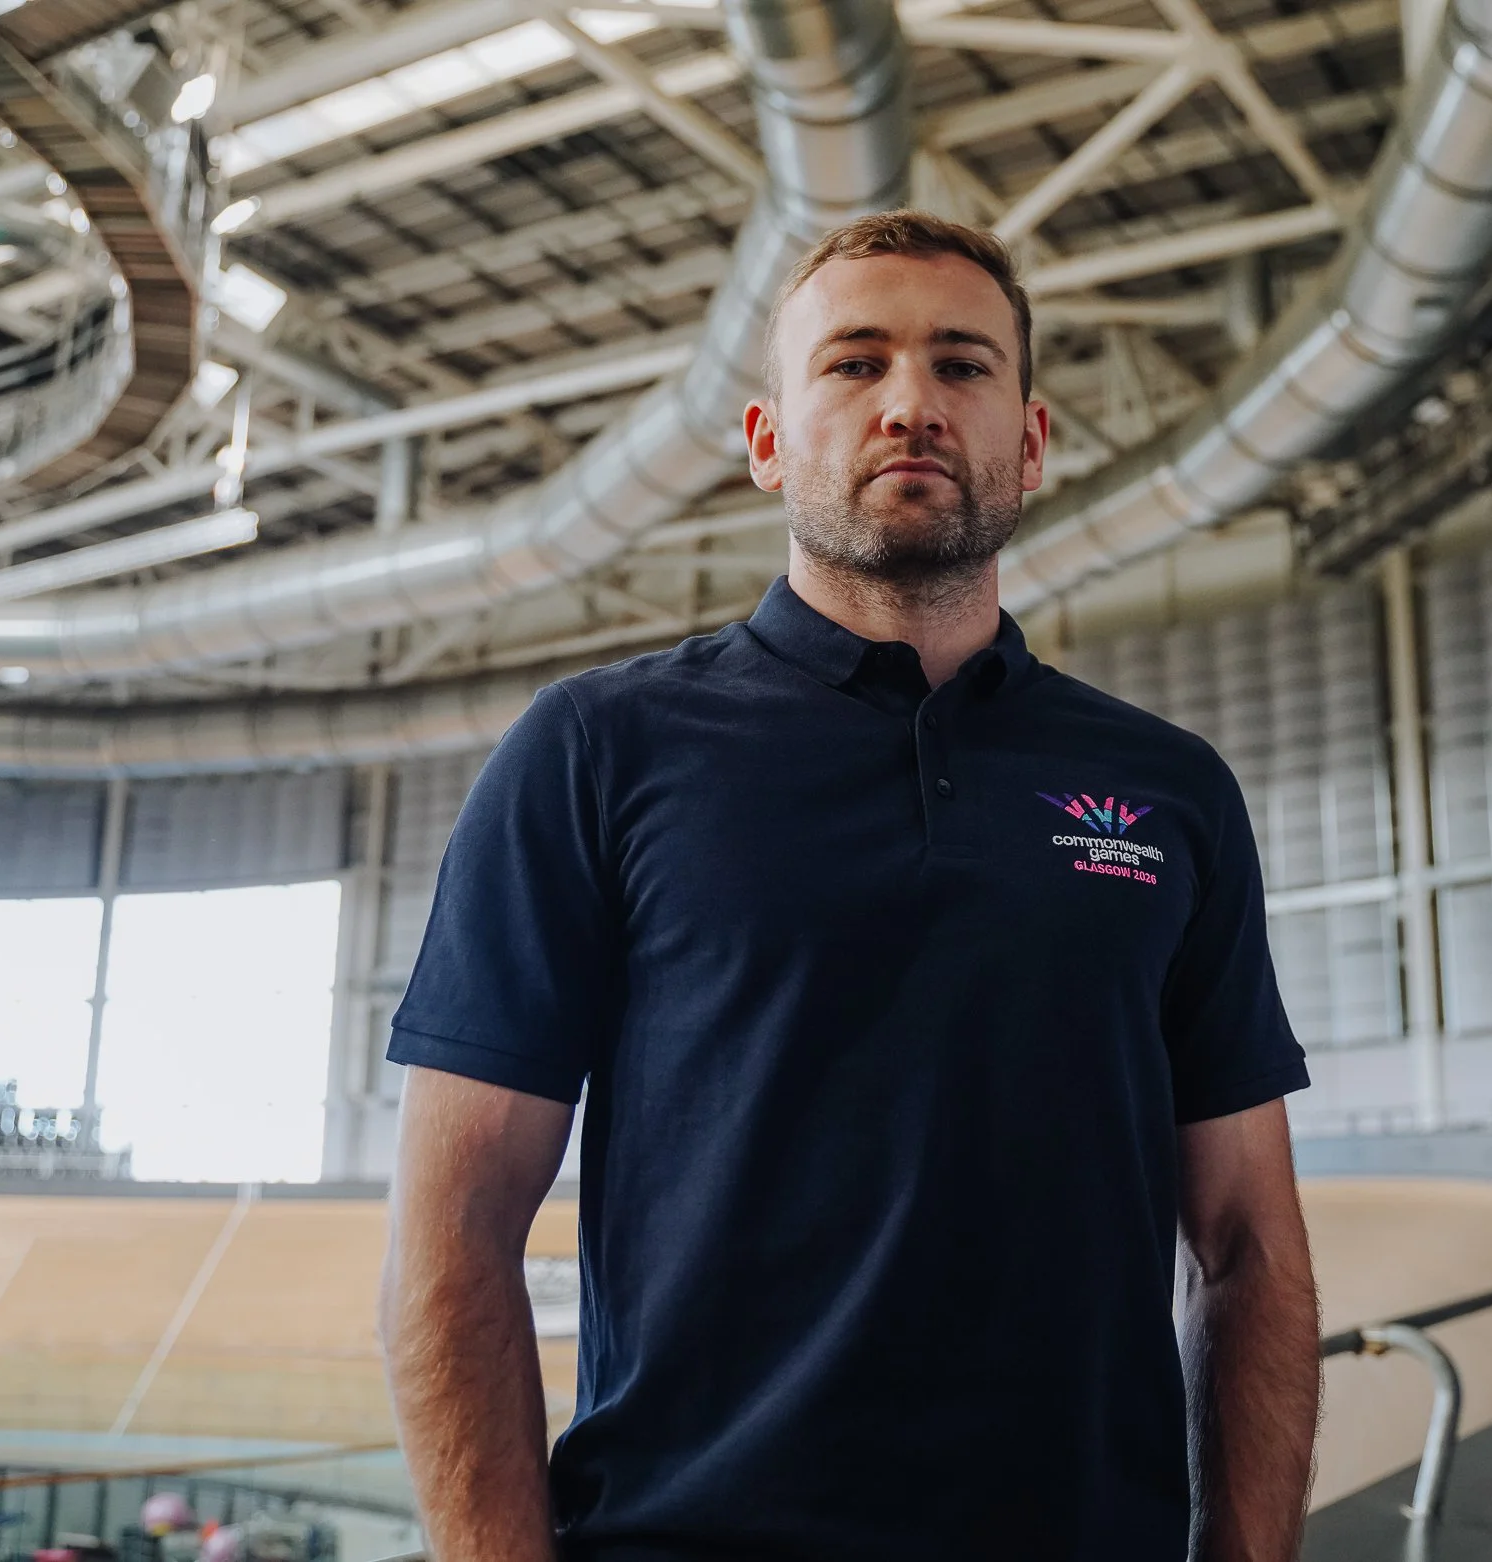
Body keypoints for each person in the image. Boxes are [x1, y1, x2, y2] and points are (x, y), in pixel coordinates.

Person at [381, 210, 1321, 1562]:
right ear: (768, 442)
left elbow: (1249, 1244)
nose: (911, 404)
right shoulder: (596, 751)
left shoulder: (1168, 790)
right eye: (853, 363)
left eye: (961, 365)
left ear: (1033, 441)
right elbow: (452, 1230)